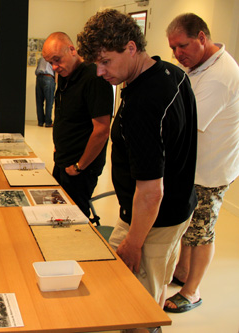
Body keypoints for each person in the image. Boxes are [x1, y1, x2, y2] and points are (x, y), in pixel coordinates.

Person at [76, 9, 198, 311]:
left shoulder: (143, 105)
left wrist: (134, 242)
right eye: (96, 64)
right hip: (174, 208)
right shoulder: (173, 74)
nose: (100, 73)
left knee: (137, 304)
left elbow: (151, 190)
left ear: (131, 48)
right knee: (141, 288)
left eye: (106, 62)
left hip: (154, 220)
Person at [164, 13, 239, 313]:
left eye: (182, 46)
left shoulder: (221, 76)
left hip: (210, 171)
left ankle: (192, 291)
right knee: (188, 226)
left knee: (201, 231)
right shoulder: (201, 65)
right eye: (173, 48)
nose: (177, 54)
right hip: (195, 166)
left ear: (202, 38)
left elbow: (188, 123)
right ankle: (182, 272)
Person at [42, 32, 113, 217]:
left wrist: (79, 166)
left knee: (74, 216)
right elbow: (65, 114)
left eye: (57, 60)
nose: (55, 67)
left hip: (81, 167)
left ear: (72, 50)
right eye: (50, 63)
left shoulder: (94, 77)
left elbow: (102, 131)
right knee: (57, 210)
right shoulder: (65, 73)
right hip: (64, 160)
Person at [35, 57, 56, 127]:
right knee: (49, 102)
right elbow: (56, 70)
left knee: (39, 102)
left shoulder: (41, 58)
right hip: (48, 77)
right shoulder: (53, 59)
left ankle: (40, 122)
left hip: (39, 78)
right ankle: (48, 122)